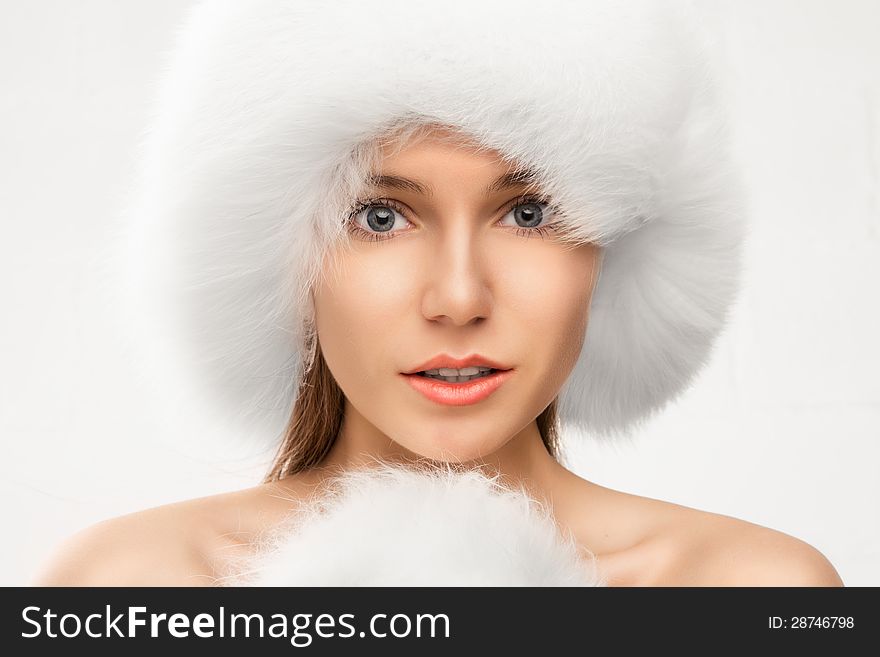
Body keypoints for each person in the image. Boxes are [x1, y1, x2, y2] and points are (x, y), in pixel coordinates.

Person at [34, 0, 842, 586]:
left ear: (616, 253)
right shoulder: (129, 588)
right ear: (281, 258)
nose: (458, 297)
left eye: (529, 213)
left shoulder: (755, 591)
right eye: (381, 215)